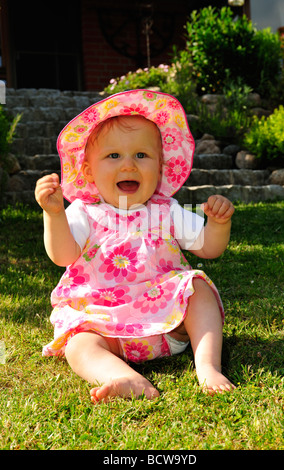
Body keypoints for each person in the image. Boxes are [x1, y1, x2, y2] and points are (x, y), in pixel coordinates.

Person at [35, 89, 236, 403]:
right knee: (79, 346)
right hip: (104, 321)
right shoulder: (84, 212)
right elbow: (62, 255)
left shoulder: (165, 210)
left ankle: (208, 366)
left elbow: (208, 248)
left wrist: (218, 225)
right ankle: (124, 378)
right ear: (88, 171)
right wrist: (54, 214)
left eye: (141, 155)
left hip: (168, 321)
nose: (128, 165)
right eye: (113, 156)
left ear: (159, 168)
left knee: (198, 290)